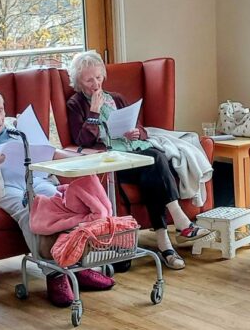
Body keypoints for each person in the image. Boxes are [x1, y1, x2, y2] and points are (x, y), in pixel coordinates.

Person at [0, 88, 115, 308]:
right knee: (33, 211)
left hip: (37, 179)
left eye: (1, 110)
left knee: (65, 206)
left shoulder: (15, 126)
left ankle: (78, 267)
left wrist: (79, 159)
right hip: (3, 188)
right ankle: (55, 275)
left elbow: (47, 151)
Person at [65, 50, 212, 271]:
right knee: (156, 160)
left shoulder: (116, 98)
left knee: (153, 165)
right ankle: (179, 225)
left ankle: (165, 244)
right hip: (112, 161)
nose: (95, 83)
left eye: (98, 77)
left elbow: (140, 128)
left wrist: (136, 133)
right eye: (89, 79)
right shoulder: (75, 104)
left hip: (134, 152)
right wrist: (94, 111)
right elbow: (82, 140)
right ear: (78, 82)